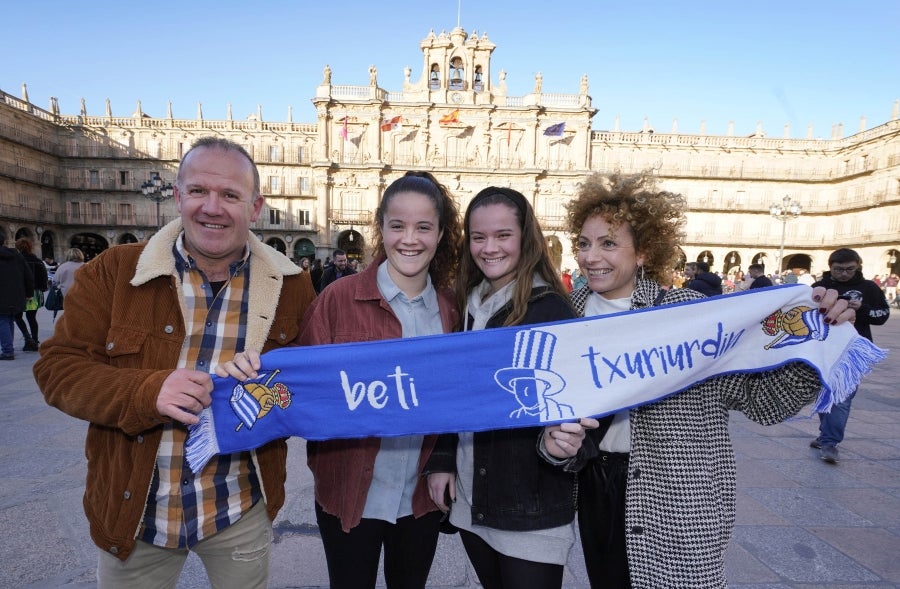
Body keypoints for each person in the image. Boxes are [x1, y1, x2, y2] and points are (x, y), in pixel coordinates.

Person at [33, 137, 317, 588]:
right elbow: (57, 368)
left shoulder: (292, 286)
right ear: (178, 195)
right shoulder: (115, 270)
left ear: (256, 207)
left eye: (230, 195)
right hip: (137, 511)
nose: (212, 207)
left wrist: (268, 389)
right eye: (199, 191)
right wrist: (147, 391)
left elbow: (309, 384)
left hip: (238, 507)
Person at [565, 171, 854, 589]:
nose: (592, 257)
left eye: (609, 243)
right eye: (584, 243)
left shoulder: (689, 313)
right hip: (595, 482)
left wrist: (815, 345)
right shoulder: (565, 314)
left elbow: (762, 402)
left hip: (679, 492)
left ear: (643, 251)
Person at [222, 171, 464, 588]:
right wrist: (249, 375)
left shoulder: (453, 312)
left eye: (424, 227)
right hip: (349, 491)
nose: (410, 238)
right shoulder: (337, 299)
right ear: (381, 229)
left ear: (441, 234)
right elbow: (300, 380)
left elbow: (459, 399)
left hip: (420, 497)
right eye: (398, 226)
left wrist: (444, 461)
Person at [424, 186, 598, 589]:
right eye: (479, 237)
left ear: (526, 238)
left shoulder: (551, 310)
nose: (489, 248)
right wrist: (444, 458)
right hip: (473, 498)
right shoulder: (470, 303)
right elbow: (458, 392)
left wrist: (559, 447)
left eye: (503, 235)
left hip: (529, 511)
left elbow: (587, 418)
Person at [810, 248, 890, 464]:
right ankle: (825, 433)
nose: (844, 274)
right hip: (822, 349)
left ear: (858, 267)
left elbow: (882, 315)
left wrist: (861, 309)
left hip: (852, 351)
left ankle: (830, 442)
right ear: (830, 267)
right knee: (823, 394)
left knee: (842, 398)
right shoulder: (819, 287)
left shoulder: (869, 288)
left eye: (849, 270)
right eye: (838, 270)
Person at [0, 227, 34, 360]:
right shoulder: (17, 256)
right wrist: (29, 293)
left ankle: (8, 351)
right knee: (9, 319)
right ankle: (9, 348)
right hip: (17, 294)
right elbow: (28, 276)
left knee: (2, 320)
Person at [14, 237, 48, 351]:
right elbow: (44, 277)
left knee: (17, 316)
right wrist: (42, 288)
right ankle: (35, 340)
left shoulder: (17, 260)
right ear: (30, 247)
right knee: (32, 317)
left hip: (20, 292)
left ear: (18, 247)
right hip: (35, 293)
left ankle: (27, 338)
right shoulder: (37, 260)